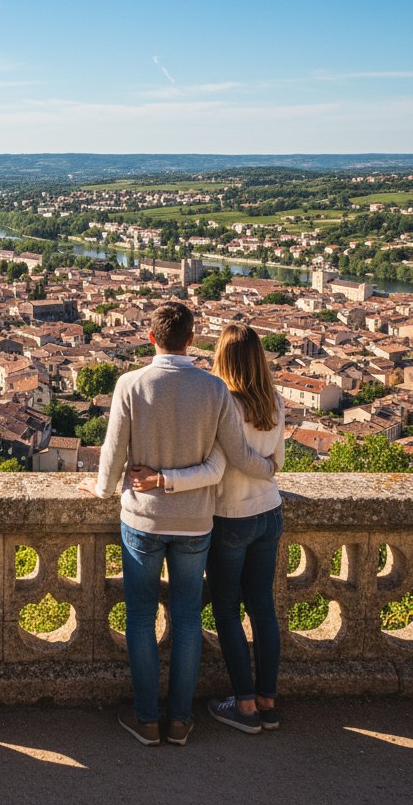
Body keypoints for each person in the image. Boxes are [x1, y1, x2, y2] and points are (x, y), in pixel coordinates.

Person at [81, 302, 279, 747]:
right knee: (189, 619)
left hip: (143, 519)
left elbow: (113, 452)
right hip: (195, 523)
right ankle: (180, 721)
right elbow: (235, 456)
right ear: (191, 340)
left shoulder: (130, 384)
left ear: (151, 337)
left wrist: (102, 488)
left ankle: (146, 720)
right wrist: (269, 468)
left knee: (140, 618)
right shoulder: (214, 389)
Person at [204, 323, 284, 733]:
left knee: (226, 609)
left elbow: (225, 461)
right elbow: (277, 462)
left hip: (230, 515)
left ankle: (246, 706)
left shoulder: (223, 404)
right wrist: (267, 469)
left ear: (224, 358)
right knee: (262, 608)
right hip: (269, 511)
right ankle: (268, 701)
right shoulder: (275, 400)